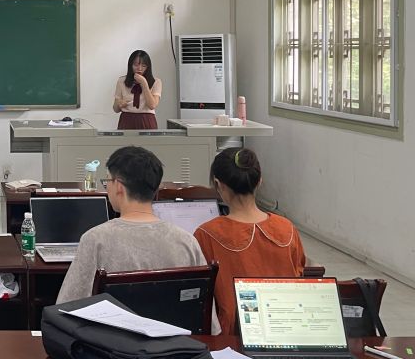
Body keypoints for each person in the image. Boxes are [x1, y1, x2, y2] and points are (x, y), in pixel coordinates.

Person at [57, 146, 206, 303]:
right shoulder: (187, 242)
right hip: (173, 320)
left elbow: (66, 306)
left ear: (119, 186)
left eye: (107, 181)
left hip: (113, 320)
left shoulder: (95, 240)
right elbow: (205, 311)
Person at [194, 148, 306, 336]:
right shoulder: (287, 228)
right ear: (259, 181)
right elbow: (299, 274)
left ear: (218, 184)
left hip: (232, 337)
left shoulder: (206, 234)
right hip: (286, 330)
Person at [113, 50, 162, 129]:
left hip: (146, 119)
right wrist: (119, 104)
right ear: (130, 65)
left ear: (148, 67)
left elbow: (152, 105)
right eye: (136, 65)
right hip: (127, 119)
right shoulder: (122, 81)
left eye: (144, 66)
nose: (139, 68)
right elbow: (115, 109)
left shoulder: (156, 82)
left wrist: (144, 83)